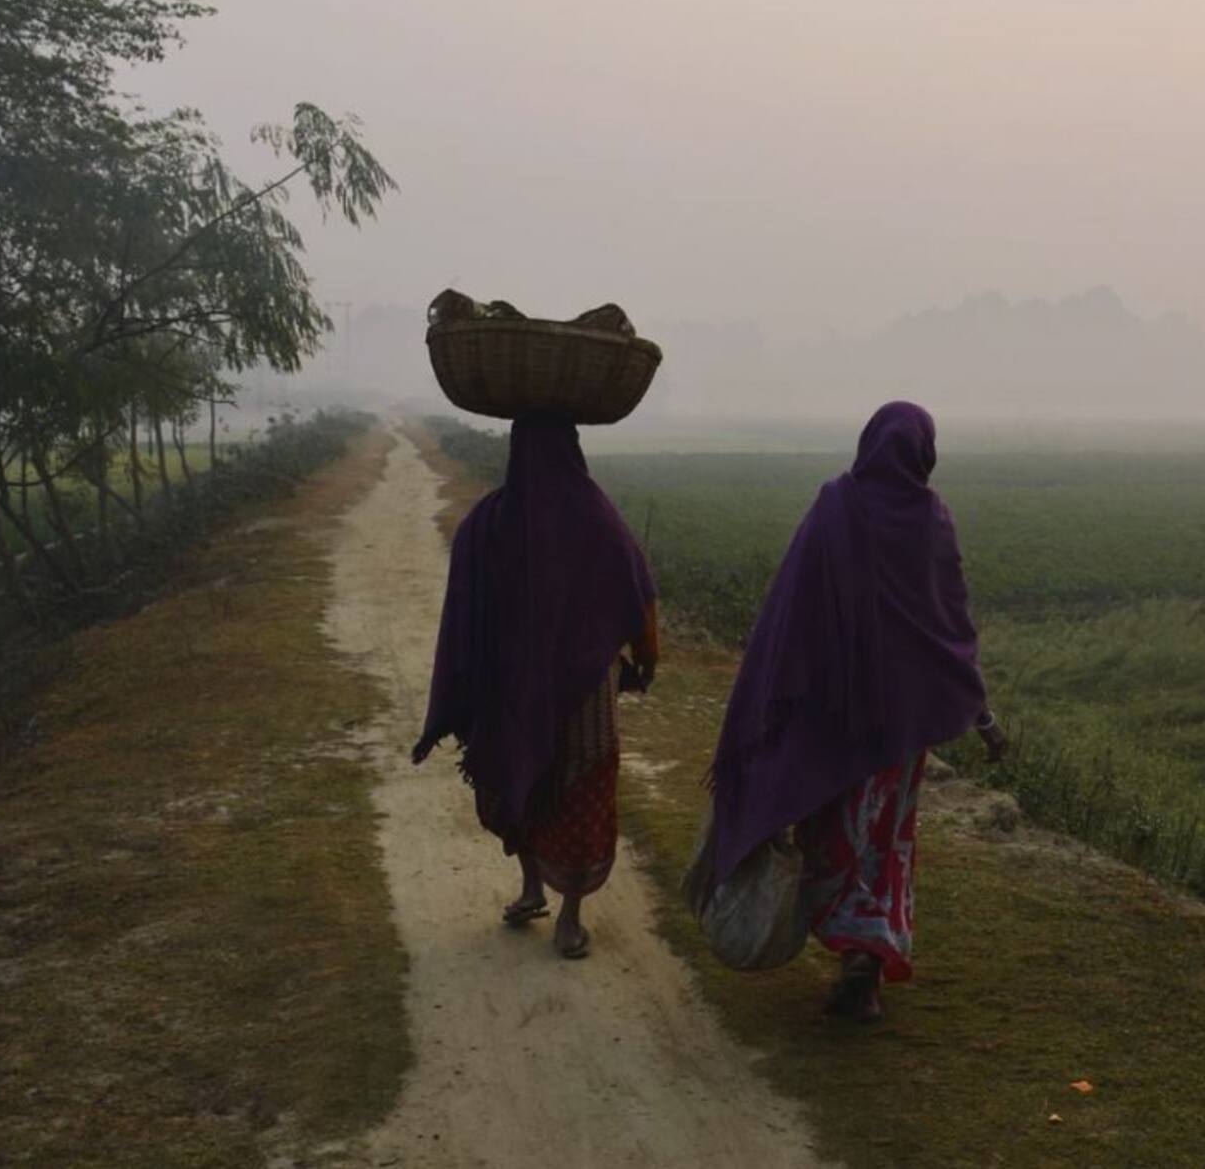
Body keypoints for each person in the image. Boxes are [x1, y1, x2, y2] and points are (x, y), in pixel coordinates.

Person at [703, 401, 1005, 1020]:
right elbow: (949, 629)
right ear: (925, 453)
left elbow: (791, 611)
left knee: (833, 833)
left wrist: (771, 699)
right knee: (884, 839)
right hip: (900, 731)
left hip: (833, 722)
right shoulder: (931, 521)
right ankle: (865, 958)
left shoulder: (835, 506)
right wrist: (980, 713)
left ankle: (855, 957)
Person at [412, 411, 659, 959]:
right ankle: (562, 913)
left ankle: (543, 895)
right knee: (576, 790)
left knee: (522, 777)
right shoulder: (593, 516)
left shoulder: (491, 519)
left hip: (518, 691)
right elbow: (639, 592)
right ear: (573, 448)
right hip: (580, 696)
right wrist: (647, 657)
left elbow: (463, 613)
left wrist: (465, 684)